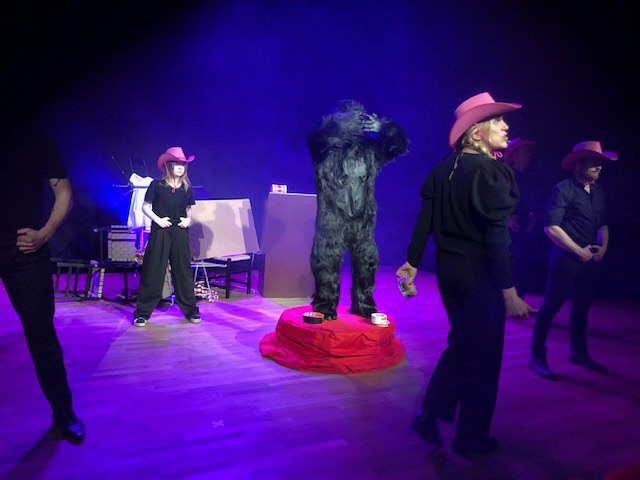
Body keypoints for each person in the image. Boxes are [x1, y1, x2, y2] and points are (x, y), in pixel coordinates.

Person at [397, 92, 535, 456]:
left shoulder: (443, 169)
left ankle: (431, 412)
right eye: (497, 121)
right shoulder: (492, 172)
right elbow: (496, 237)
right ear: (476, 133)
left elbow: (424, 220)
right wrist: (508, 290)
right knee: (485, 356)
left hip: (449, 272)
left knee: (463, 342)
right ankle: (471, 439)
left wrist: (412, 262)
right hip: (479, 276)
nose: (506, 127)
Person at [0, 115, 85, 444]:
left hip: (25, 248)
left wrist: (45, 234)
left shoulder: (35, 136)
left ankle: (64, 414)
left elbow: (64, 193)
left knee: (42, 338)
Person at [308, 100, 408, 320]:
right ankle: (325, 304)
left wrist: (383, 128)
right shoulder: (326, 150)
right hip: (332, 218)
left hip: (362, 220)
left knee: (367, 262)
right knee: (326, 261)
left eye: (362, 117)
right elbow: (317, 134)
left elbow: (398, 146)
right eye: (355, 117)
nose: (361, 121)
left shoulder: (370, 151)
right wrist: (350, 121)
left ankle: (364, 303)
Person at [528, 141, 617, 380]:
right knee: (550, 306)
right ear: (578, 164)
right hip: (566, 258)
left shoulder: (598, 191)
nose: (599, 166)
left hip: (589, 258)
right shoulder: (564, 188)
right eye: (593, 162)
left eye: (600, 162)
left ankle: (578, 352)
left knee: (582, 307)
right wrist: (579, 251)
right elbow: (551, 227)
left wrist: (603, 247)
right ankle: (537, 357)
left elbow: (603, 225)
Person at [132, 146, 201, 327]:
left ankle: (190, 310)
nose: (180, 167)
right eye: (177, 164)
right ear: (168, 166)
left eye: (183, 165)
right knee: (153, 270)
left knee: (183, 270)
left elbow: (188, 209)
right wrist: (158, 220)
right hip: (160, 231)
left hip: (179, 232)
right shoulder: (157, 185)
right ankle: (142, 313)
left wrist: (188, 220)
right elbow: (145, 207)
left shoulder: (186, 188)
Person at [503, 138, 546, 298]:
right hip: (510, 224)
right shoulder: (507, 174)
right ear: (514, 155)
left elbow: (531, 198)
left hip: (525, 222)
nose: (528, 154)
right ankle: (509, 298)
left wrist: (532, 215)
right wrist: (508, 217)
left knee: (523, 261)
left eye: (528, 151)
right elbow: (500, 198)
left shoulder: (529, 175)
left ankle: (519, 296)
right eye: (524, 151)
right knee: (512, 261)